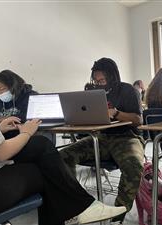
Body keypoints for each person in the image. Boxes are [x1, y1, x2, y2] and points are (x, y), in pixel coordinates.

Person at [0, 27, 126, 225]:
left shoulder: (26, 96)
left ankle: (83, 208)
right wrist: (25, 132)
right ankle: (79, 209)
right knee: (47, 174)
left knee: (39, 145)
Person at [60, 57, 145, 224]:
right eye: (97, 80)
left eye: (103, 80)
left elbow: (137, 120)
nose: (100, 83)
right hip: (101, 137)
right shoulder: (93, 93)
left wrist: (115, 113)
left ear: (113, 76)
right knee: (63, 156)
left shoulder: (127, 90)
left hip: (127, 137)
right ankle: (77, 207)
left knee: (134, 165)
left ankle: (116, 216)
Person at [0, 70, 38, 139]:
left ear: (14, 85)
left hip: (28, 136)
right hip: (4, 139)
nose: (0, 93)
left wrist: (7, 119)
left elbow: (34, 117)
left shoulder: (32, 97)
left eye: (2, 89)